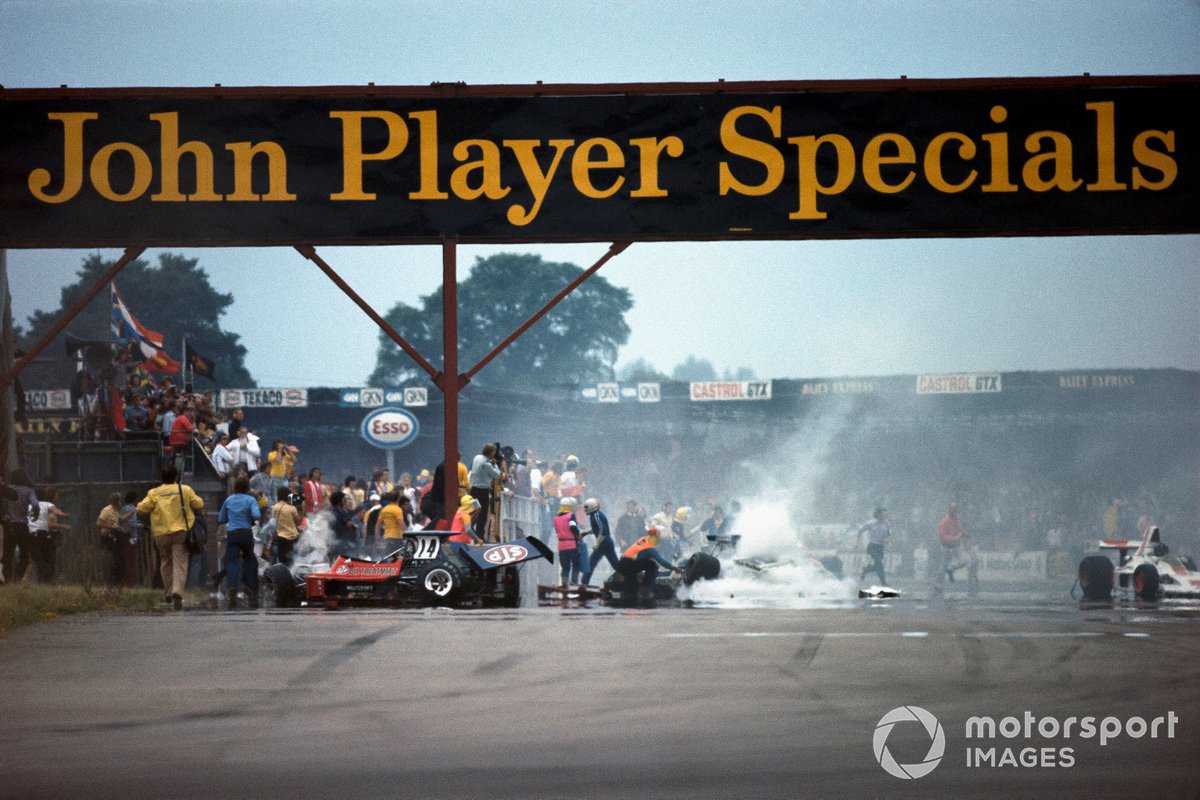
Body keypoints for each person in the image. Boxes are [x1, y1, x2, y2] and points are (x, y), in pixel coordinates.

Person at [137, 465, 205, 610]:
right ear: (176, 477)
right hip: (180, 532)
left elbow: (141, 508)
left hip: (161, 533)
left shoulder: (154, 493)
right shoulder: (184, 490)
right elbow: (199, 503)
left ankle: (168, 593)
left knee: (165, 562)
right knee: (179, 563)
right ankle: (177, 592)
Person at [218, 474, 261, 608]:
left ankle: (232, 587)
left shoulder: (229, 500)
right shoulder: (250, 499)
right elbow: (256, 515)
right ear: (247, 487)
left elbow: (221, 518)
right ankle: (249, 587)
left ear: (235, 487)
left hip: (232, 533)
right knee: (249, 559)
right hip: (246, 533)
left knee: (232, 561)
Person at [616, 527, 682, 607]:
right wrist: (675, 568)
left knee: (633, 590)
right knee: (653, 566)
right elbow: (662, 562)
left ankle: (634, 590)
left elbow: (639, 556)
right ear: (655, 537)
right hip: (628, 565)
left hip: (623, 564)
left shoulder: (644, 539)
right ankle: (645, 588)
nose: (659, 539)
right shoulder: (650, 548)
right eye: (658, 537)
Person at [2, 468, 39, 584]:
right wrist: (35, 514)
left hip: (8, 525)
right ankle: (17, 577)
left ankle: (7, 579)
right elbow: (35, 504)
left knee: (7, 555)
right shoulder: (29, 490)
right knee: (24, 554)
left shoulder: (7, 489)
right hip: (22, 525)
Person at [28, 486, 70, 582]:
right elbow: (53, 516)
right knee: (45, 559)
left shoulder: (30, 505)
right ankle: (46, 573)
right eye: (56, 494)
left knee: (39, 557)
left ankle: (44, 579)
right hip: (45, 535)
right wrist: (63, 517)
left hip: (32, 534)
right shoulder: (47, 505)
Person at [580, 497, 619, 586]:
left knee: (591, 563)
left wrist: (597, 543)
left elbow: (602, 530)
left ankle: (584, 583)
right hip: (607, 543)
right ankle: (628, 579)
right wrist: (585, 532)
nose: (585, 509)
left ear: (592, 507)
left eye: (586, 507)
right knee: (615, 564)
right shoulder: (595, 515)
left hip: (604, 543)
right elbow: (596, 529)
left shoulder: (596, 516)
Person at [468, 444, 502, 539]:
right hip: (482, 491)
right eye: (494, 452)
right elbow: (497, 475)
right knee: (483, 514)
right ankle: (479, 536)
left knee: (474, 512)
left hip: (473, 490)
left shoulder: (477, 457)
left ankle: (468, 530)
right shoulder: (487, 464)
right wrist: (495, 464)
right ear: (490, 453)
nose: (495, 453)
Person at [856, 505, 892, 586]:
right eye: (883, 512)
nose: (885, 514)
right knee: (879, 563)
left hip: (880, 547)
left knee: (877, 566)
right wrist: (857, 542)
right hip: (872, 546)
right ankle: (884, 583)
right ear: (878, 513)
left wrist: (888, 543)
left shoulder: (887, 524)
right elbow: (860, 530)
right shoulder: (871, 523)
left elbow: (888, 535)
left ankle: (866, 570)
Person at [937, 502, 970, 586]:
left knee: (963, 561)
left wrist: (965, 534)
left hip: (956, 546)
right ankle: (939, 584)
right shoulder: (943, 522)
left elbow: (959, 529)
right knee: (943, 566)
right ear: (949, 510)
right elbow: (943, 537)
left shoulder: (957, 518)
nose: (955, 512)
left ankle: (951, 568)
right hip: (946, 547)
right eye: (953, 509)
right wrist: (955, 538)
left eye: (956, 509)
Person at [96, 492, 125, 585]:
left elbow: (120, 519)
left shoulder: (115, 510)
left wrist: (131, 513)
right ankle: (112, 581)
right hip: (108, 537)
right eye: (119, 500)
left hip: (115, 536)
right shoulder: (107, 510)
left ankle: (117, 581)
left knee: (119, 559)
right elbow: (99, 523)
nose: (120, 503)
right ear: (115, 501)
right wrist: (111, 528)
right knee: (113, 559)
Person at [552, 498, 582, 586]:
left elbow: (557, 531)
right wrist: (578, 534)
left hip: (561, 546)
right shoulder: (570, 516)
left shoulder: (555, 519)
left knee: (565, 566)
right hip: (572, 544)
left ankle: (564, 583)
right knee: (576, 564)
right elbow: (573, 527)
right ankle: (574, 581)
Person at [271, 486, 303, 567]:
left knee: (282, 561)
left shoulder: (275, 507)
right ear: (288, 495)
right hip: (291, 538)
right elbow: (298, 522)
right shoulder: (292, 508)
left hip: (280, 537)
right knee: (292, 562)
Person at [377, 492, 408, 556]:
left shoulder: (384, 509)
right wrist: (409, 534)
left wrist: (377, 539)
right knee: (398, 557)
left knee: (388, 557)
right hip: (397, 537)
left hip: (387, 537)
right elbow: (401, 523)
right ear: (398, 499)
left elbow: (377, 525)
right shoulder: (397, 509)